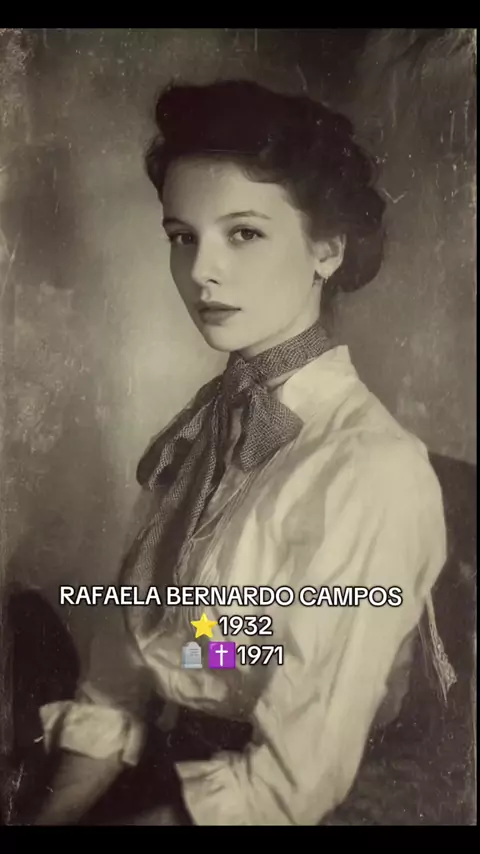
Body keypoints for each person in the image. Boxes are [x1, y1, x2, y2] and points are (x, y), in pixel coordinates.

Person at [31, 79, 451, 826]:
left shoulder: (369, 470)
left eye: (245, 233)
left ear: (327, 249)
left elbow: (289, 785)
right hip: (180, 755)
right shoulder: (202, 433)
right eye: (182, 236)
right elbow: (141, 653)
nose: (201, 271)